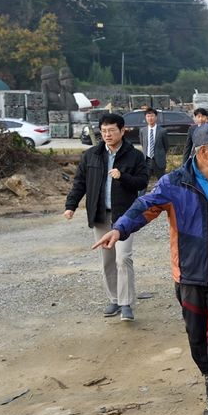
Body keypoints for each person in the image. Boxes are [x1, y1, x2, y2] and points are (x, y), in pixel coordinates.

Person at [92, 124, 208, 415]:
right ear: (203, 152)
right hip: (188, 274)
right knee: (197, 336)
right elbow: (144, 207)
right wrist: (119, 228)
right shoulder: (174, 183)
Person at [64, 114, 149, 321]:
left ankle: (126, 303)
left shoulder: (134, 156)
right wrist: (71, 206)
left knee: (123, 258)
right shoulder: (91, 155)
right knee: (107, 261)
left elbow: (142, 182)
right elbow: (80, 183)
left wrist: (123, 176)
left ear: (122, 130)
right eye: (103, 131)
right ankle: (114, 300)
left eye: (111, 130)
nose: (107, 135)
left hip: (124, 217)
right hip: (101, 215)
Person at [139, 108, 170, 184]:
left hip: (159, 161)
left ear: (156, 117)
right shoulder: (142, 130)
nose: (150, 118)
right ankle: (141, 196)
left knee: (162, 182)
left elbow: (166, 146)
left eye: (152, 116)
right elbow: (143, 144)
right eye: (148, 116)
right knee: (143, 182)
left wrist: (160, 154)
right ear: (145, 118)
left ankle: (164, 196)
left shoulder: (162, 131)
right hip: (147, 160)